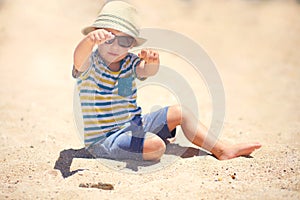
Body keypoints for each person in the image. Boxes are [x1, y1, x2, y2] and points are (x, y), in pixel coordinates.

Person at [72, 1, 261, 161]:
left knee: (181, 112)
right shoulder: (91, 63)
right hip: (105, 139)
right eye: (108, 38)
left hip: (135, 123)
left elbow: (147, 71)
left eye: (124, 41)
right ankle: (149, 142)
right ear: (96, 36)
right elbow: (78, 59)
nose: (115, 46)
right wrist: (88, 42)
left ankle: (221, 149)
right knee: (156, 147)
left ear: (131, 44)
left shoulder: (129, 62)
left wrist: (153, 62)